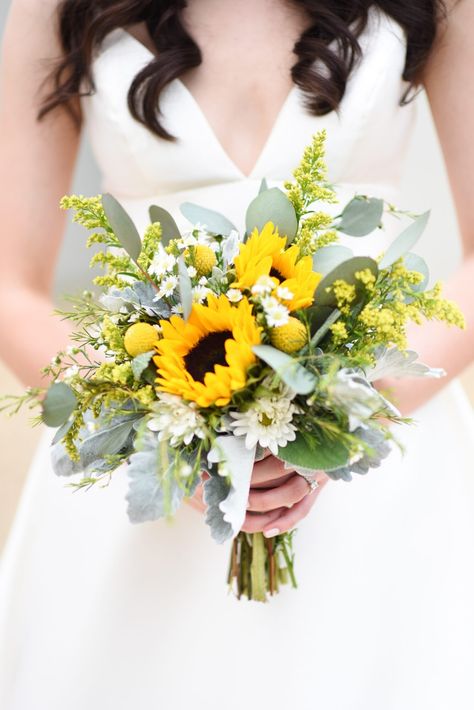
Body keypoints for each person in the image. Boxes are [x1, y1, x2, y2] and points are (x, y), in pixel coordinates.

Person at [1, 1, 473, 708]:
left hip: (384, 470)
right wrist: (160, 431)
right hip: (146, 483)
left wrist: (339, 416)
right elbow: (10, 283)